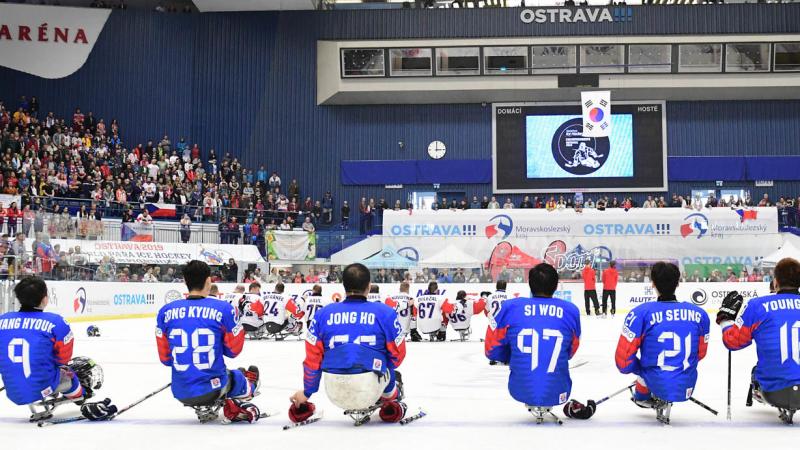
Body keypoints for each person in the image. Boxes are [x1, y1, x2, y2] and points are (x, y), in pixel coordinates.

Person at [288, 263, 407, 424]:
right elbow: (397, 356)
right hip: (369, 386)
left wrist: (307, 392)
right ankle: (390, 402)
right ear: (369, 286)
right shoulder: (385, 312)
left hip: (334, 391)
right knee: (389, 369)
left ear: (343, 286)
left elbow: (313, 359)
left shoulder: (322, 314)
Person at [155, 260, 262, 423]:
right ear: (208, 280)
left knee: (229, 374)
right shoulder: (223, 308)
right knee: (237, 378)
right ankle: (249, 387)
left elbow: (166, 359)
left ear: (185, 281)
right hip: (213, 387)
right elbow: (233, 351)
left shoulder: (165, 311)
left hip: (180, 390)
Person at [0, 276, 112, 421]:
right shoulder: (55, 321)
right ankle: (79, 395)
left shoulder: (2, 320)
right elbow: (63, 359)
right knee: (70, 373)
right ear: (45, 299)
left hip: (12, 390)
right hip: (44, 385)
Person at [614, 262, 710, 421]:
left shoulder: (640, 313)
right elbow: (700, 354)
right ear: (678, 283)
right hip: (686, 385)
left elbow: (623, 362)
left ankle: (643, 392)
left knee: (646, 371)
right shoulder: (700, 314)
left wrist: (642, 371)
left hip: (654, 381)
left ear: (652, 283)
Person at [485, 263, 581, 419]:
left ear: (530, 284)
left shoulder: (510, 307)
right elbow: (571, 349)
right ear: (556, 286)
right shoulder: (571, 310)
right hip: (560, 389)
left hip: (519, 388)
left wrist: (511, 356)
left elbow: (491, 349)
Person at [718, 257, 800, 424]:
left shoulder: (757, 306)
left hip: (774, 391)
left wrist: (725, 319)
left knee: (757, 371)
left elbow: (732, 342)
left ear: (775, 282)